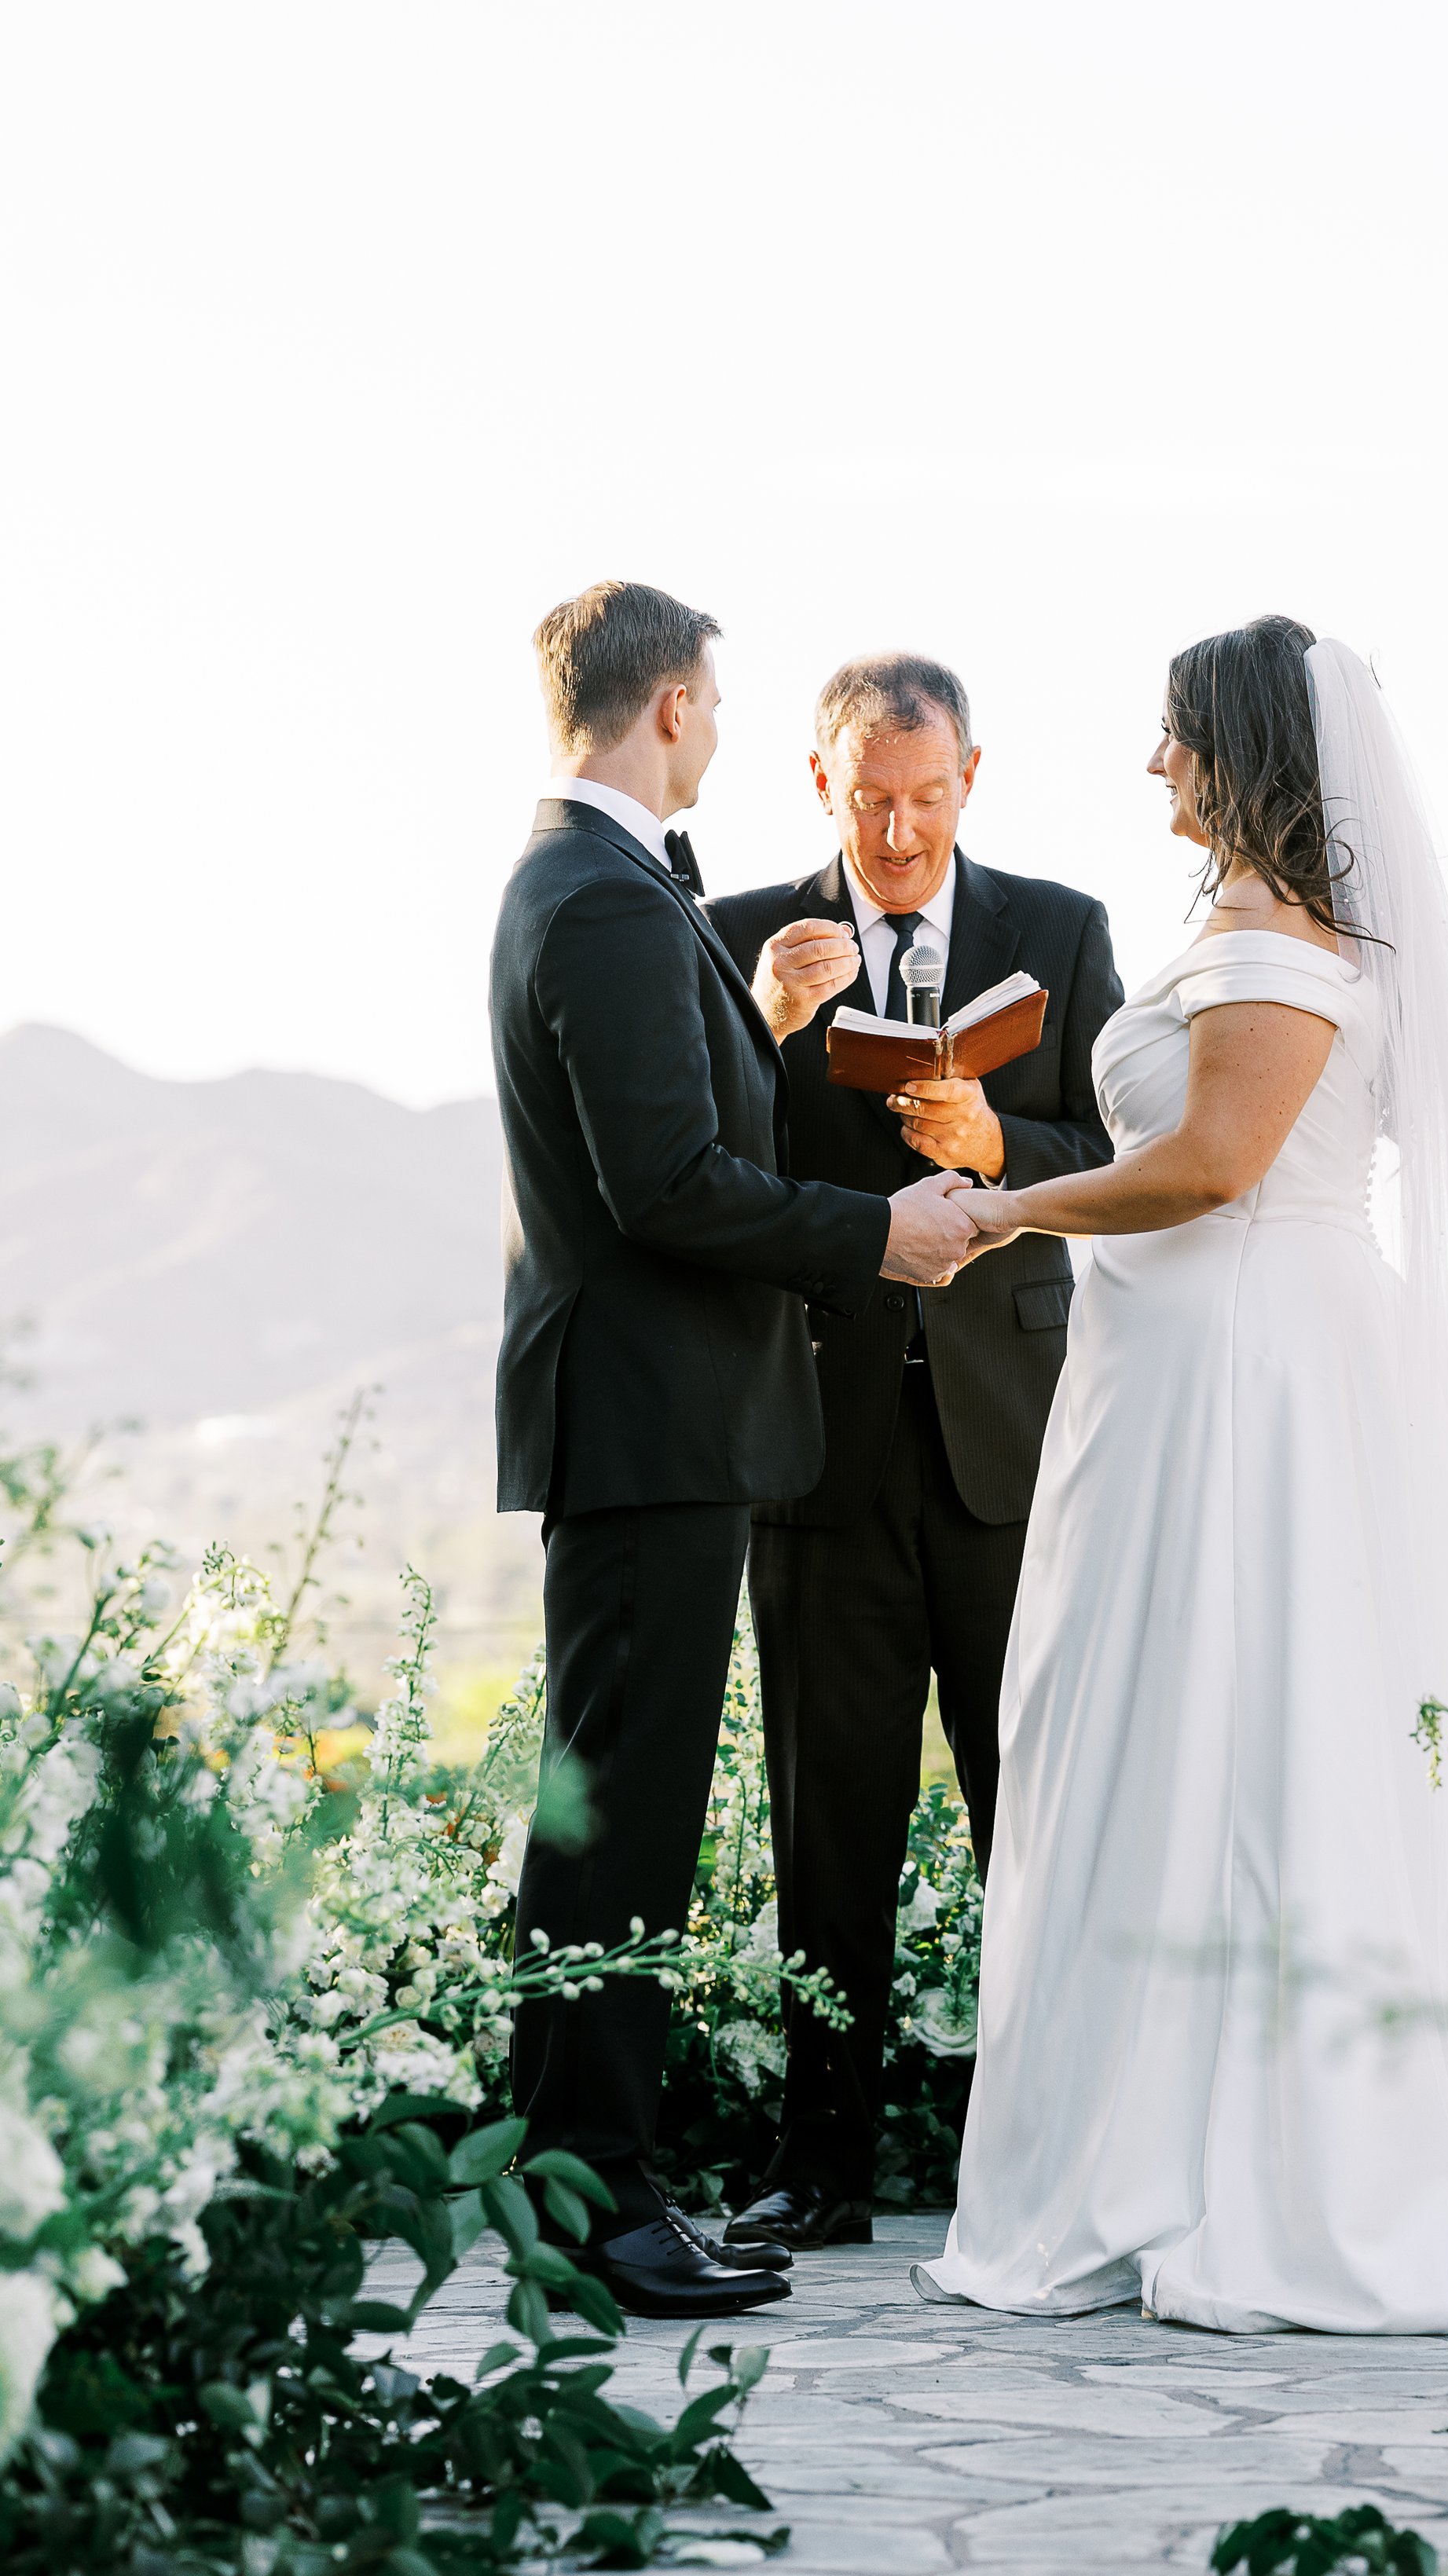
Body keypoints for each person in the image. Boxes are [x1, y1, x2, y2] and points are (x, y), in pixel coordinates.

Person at [916, 618, 1448, 2332]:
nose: (1149, 764)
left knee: (1235, 1721)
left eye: (1170, 733)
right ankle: (1150, 2129)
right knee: (1158, 1720)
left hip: (1242, 1369)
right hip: (1193, 1356)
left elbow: (1207, 1165)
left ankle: (1254, 2165)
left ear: (1237, 748)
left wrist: (997, 1212)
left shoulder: (1272, 948)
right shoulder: (1253, 933)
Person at [490, 581, 979, 2319]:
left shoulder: (594, 881)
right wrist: (881, 1236)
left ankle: (583, 2179)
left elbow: (673, 1130)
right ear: (676, 707)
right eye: (714, 697)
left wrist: (753, 1030)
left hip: (651, 1419)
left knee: (610, 1809)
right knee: (620, 1822)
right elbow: (670, 1190)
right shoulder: (606, 896)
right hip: (651, 1419)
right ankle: (595, 2200)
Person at [706, 654, 1123, 2253]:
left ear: (970, 777)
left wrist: (998, 1144)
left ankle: (1053, 2163)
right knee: (828, 1819)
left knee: (1037, 1803)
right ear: (818, 779)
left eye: (924, 795)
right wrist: (764, 1024)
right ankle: (820, 2166)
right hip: (815, 1438)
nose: (895, 827)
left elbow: (1131, 1151)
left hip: (1012, 1446)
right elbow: (693, 1156)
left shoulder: (1061, 932)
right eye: (868, 797)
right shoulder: (745, 936)